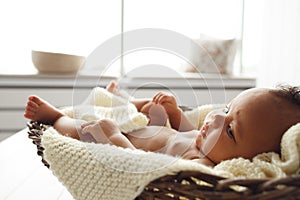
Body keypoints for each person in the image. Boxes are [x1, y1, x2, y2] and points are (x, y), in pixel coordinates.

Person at [24, 83, 300, 166]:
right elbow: (186, 130)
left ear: (253, 159)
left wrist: (114, 137)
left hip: (122, 140)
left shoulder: (203, 166)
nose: (214, 118)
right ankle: (120, 99)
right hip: (142, 125)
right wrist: (175, 113)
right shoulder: (208, 142)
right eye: (227, 109)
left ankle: (54, 116)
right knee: (150, 107)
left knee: (79, 130)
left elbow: (139, 164)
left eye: (230, 129)